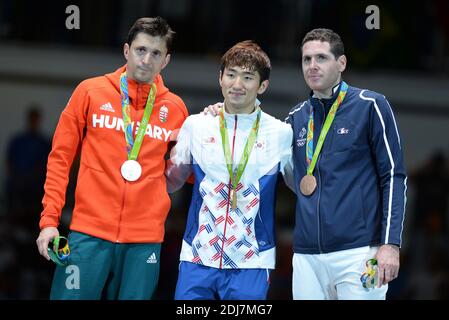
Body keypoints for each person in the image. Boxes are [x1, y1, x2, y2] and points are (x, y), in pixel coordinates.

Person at [35, 17, 188, 300]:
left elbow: (188, 171)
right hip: (88, 235)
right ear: (126, 50)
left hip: (144, 242)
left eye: (156, 53)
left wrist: (215, 128)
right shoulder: (90, 92)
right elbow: (60, 159)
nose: (146, 60)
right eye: (141, 50)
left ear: (166, 60)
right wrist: (49, 221)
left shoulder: (176, 109)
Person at [285, 28, 407, 299]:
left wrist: (390, 244)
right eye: (306, 59)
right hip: (306, 257)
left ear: (341, 63)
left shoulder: (371, 105)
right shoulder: (295, 118)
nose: (312, 66)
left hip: (359, 252)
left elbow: (394, 176)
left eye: (321, 58)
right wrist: (219, 113)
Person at [165, 40, 293, 300]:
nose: (237, 84)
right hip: (197, 254)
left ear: (263, 86)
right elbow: (171, 180)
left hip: (252, 259)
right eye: (231, 75)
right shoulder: (196, 125)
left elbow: (298, 185)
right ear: (220, 78)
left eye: (248, 77)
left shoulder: (280, 133)